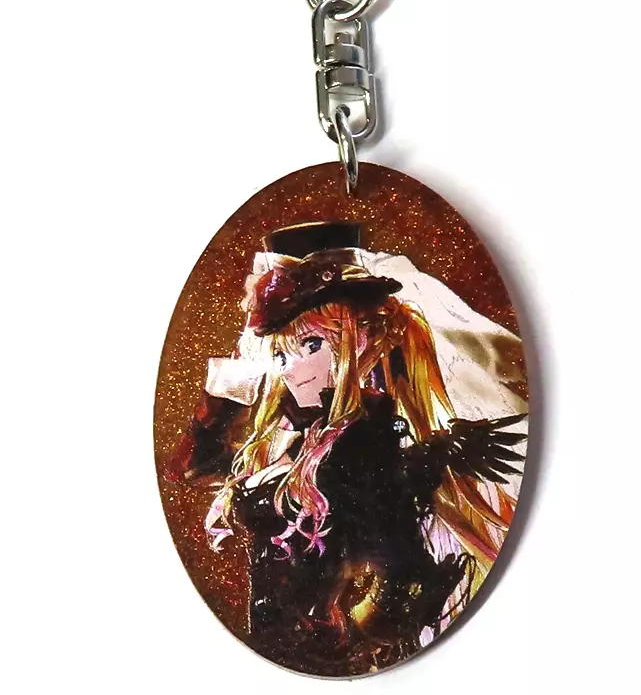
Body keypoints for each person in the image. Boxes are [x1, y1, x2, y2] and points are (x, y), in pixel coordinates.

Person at [166, 222, 527, 674]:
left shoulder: (367, 447)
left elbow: (406, 579)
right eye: (281, 355)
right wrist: (229, 389)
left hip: (328, 663)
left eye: (312, 345)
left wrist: (344, 645)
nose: (291, 369)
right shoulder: (294, 435)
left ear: (361, 342)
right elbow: (192, 468)